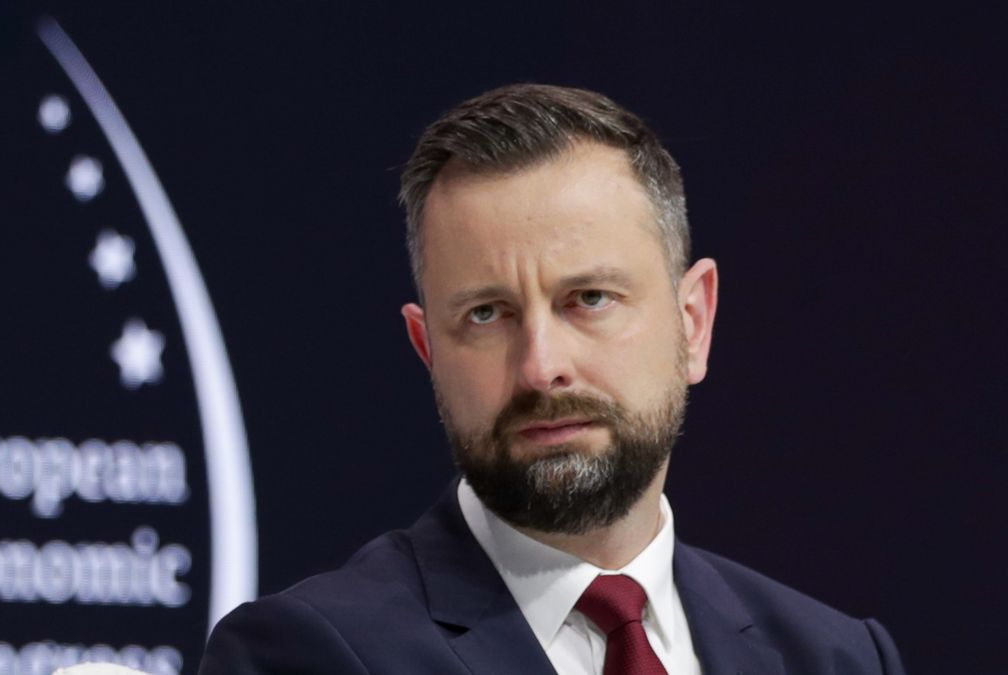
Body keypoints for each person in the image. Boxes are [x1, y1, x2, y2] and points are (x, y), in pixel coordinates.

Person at [198, 84, 906, 675]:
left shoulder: (836, 656)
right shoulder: (309, 655)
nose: (541, 365)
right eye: (486, 314)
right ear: (426, 349)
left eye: (589, 299)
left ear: (693, 321)